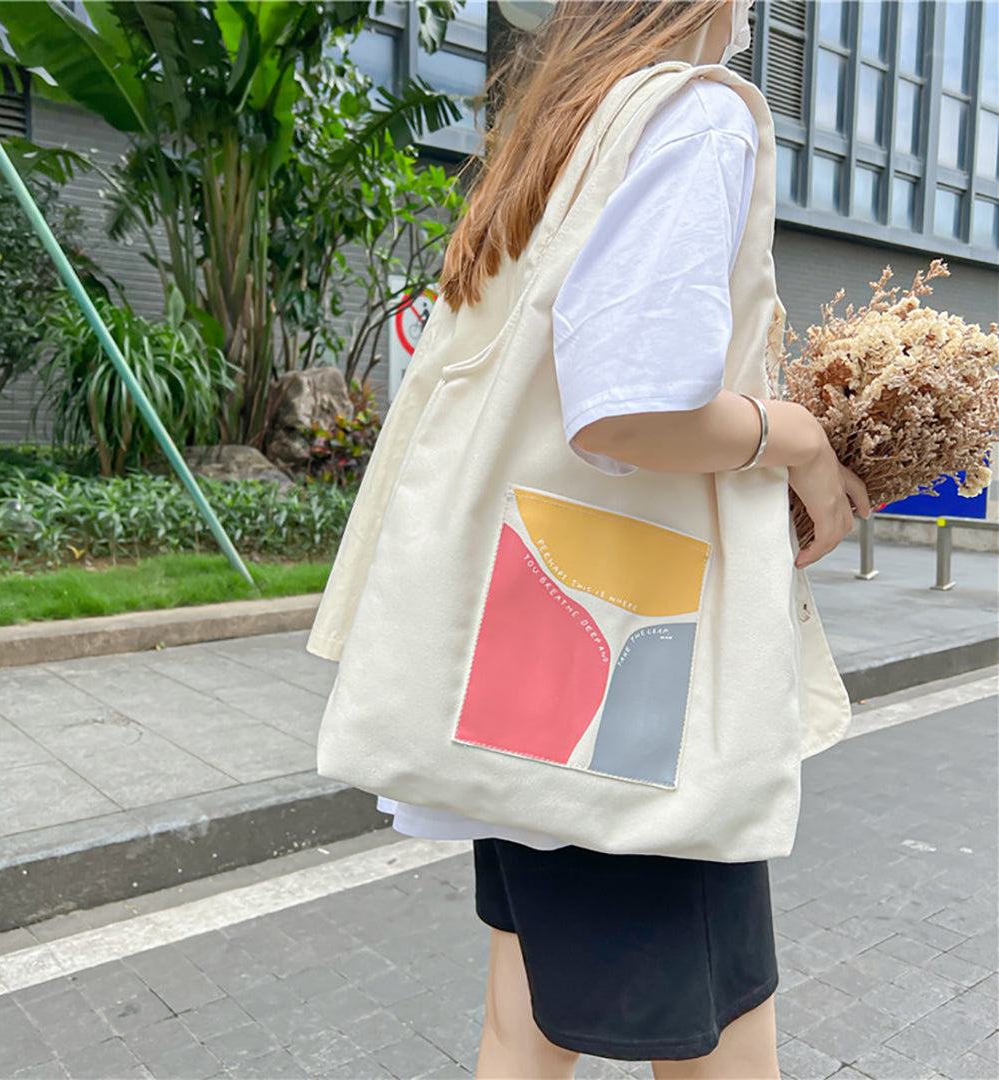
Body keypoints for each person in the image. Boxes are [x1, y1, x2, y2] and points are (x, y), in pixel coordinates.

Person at [373, 3, 872, 1079]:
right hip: (641, 664)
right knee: (719, 1043)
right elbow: (631, 411)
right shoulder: (696, 116)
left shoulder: (565, 119)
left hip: (537, 643)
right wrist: (796, 436)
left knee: (523, 1024)